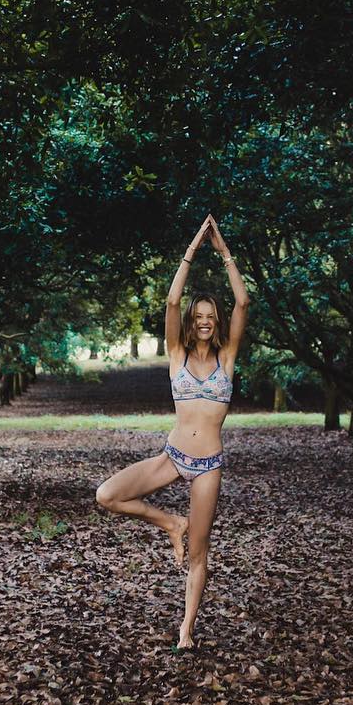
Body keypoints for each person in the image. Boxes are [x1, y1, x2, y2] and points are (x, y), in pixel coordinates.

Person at [95, 214, 249, 650]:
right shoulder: (176, 352)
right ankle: (169, 523)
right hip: (173, 456)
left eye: (209, 316)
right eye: (198, 315)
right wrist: (190, 254)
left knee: (199, 554)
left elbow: (243, 303)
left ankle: (186, 632)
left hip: (208, 467)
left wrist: (224, 255)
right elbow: (170, 302)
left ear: (217, 322)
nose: (203, 321)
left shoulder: (228, 357)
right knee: (108, 495)